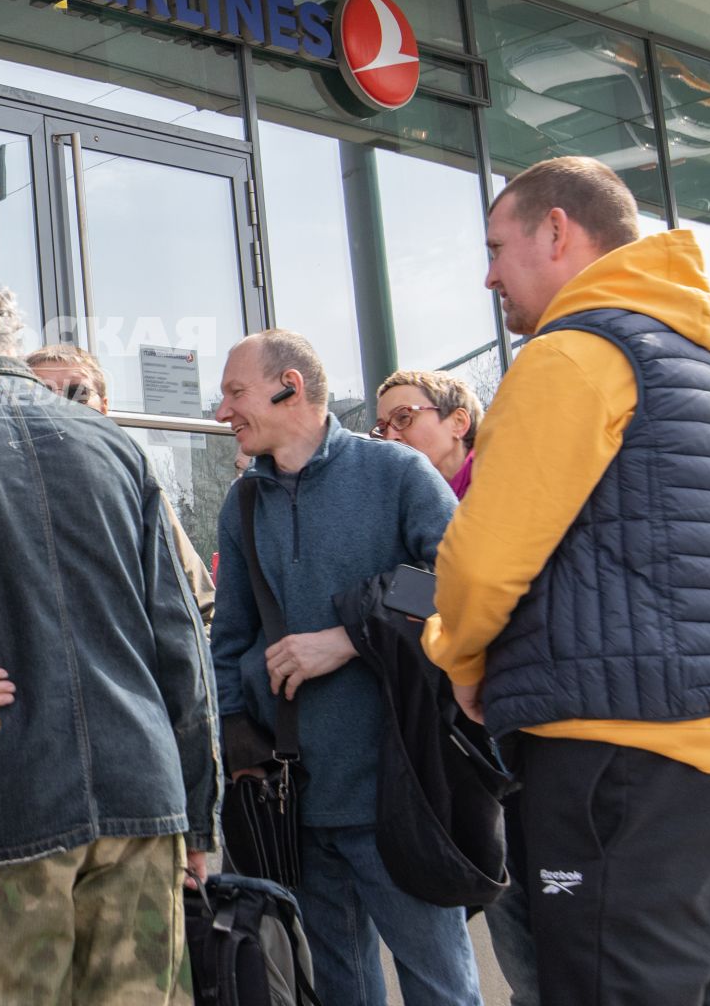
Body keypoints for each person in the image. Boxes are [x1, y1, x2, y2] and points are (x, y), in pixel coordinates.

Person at [424, 156, 710, 1006]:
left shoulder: (576, 355)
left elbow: (481, 562)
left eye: (497, 247)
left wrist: (461, 662)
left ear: (557, 231)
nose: (487, 275)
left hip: (608, 761)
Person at [0, 278, 217, 1006]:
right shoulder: (116, 446)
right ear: (11, 344)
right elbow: (182, 645)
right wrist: (199, 814)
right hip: (141, 793)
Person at [211, 330, 480, 1006]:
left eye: (234, 393)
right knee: (339, 994)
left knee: (440, 988)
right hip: (294, 801)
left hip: (400, 791)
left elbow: (460, 578)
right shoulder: (240, 504)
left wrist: (350, 638)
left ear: (289, 387)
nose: (222, 413)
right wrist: (237, 740)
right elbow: (230, 639)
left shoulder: (396, 473)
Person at [375, 368, 535, 1004]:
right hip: (450, 753)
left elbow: (463, 589)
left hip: (518, 732)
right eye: (381, 425)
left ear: (459, 422)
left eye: (405, 418)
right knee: (511, 925)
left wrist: (391, 600)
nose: (390, 435)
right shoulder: (395, 509)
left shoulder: (499, 496)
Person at [29, 341, 216, 626]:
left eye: (77, 394)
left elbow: (200, 607)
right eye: (41, 395)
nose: (61, 407)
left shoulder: (136, 486)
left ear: (104, 408)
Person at [371, 369, 480, 498]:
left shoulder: (501, 480)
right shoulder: (400, 502)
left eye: (403, 417)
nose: (389, 438)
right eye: (382, 429)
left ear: (458, 422)